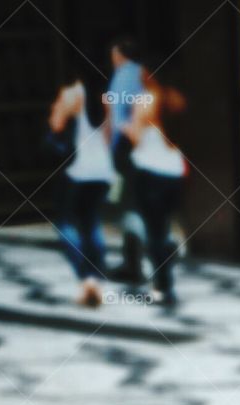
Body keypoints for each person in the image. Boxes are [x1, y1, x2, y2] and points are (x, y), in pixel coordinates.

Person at [119, 65, 188, 308]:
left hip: (149, 171)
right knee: (164, 225)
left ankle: (164, 287)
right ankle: (168, 260)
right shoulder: (176, 99)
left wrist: (126, 128)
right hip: (175, 171)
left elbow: (137, 138)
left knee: (155, 232)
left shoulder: (144, 100)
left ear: (149, 74)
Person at [48, 69, 114, 307]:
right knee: (92, 222)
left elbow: (56, 126)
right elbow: (109, 135)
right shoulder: (106, 97)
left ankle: (85, 278)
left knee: (66, 224)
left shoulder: (71, 94)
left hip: (78, 171)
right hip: (103, 171)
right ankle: (96, 279)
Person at [106, 36, 148, 284]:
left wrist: (110, 153)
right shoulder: (145, 74)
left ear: (121, 56)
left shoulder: (121, 76)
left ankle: (133, 264)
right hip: (146, 147)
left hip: (126, 146)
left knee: (129, 205)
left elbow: (115, 117)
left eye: (114, 54)